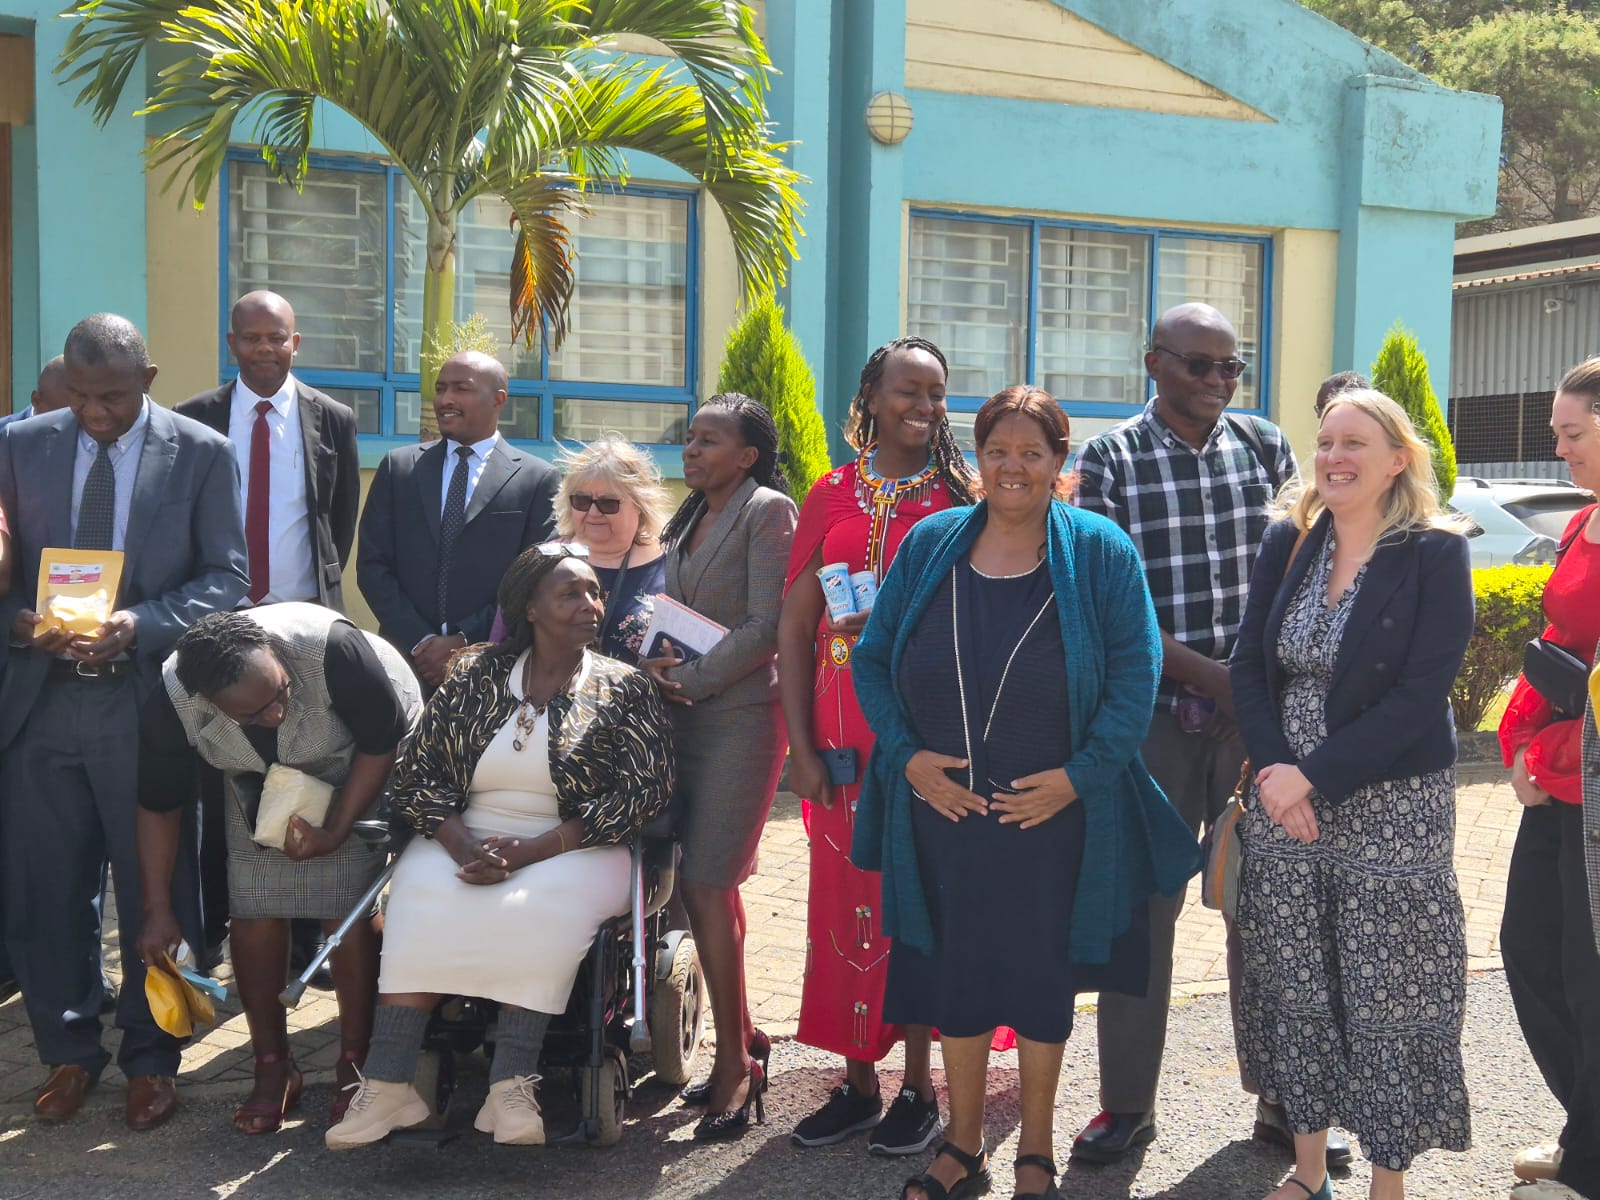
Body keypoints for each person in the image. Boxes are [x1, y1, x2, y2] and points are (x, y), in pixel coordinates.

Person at [852, 385, 1200, 1200]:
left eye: (1031, 453)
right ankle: (963, 1144)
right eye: (997, 451)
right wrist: (907, 758)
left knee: (1043, 985)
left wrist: (1080, 778)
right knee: (958, 980)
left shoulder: (1101, 551)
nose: (1013, 467)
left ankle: (1034, 1152)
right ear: (977, 458)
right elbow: (873, 660)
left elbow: (1136, 674)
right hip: (944, 813)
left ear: (1059, 462)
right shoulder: (931, 543)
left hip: (1055, 818)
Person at [1071, 301, 1336, 1167]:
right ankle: (1127, 1106)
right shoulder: (1110, 459)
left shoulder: (1265, 447)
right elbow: (1109, 603)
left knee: (1268, 910)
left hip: (1254, 726)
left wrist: (1248, 690)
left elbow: (1305, 576)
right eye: (1200, 365)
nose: (1219, 381)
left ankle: (1286, 1106)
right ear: (1155, 363)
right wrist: (1214, 679)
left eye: (1232, 367)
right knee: (1141, 913)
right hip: (1150, 722)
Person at [324, 545, 674, 1149]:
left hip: (580, 843)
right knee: (418, 894)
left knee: (537, 903)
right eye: (570, 594)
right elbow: (416, 775)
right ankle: (386, 1085)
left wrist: (534, 851)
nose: (591, 605)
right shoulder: (472, 676)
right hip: (465, 831)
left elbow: (644, 791)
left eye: (594, 592)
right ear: (529, 608)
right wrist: (462, 845)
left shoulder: (625, 688)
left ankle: (511, 1086)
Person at [0, 314, 248, 1130]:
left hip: (142, 703)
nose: (94, 413)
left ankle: (152, 1058)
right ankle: (68, 1053)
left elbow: (226, 578)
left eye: (110, 397)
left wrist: (140, 623)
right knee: (46, 890)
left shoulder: (202, 453)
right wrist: (18, 620)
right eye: (79, 396)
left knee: (156, 889)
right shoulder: (19, 445)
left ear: (147, 379)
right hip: (42, 703)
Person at [1230, 388, 1474, 1200]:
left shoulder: (1436, 553)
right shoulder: (1288, 539)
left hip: (1392, 807)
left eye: (1355, 443)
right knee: (1298, 984)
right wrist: (1277, 773)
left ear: (1398, 460)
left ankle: (1386, 1184)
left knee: (1387, 992)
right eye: (1326, 441)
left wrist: (1314, 775)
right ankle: (1307, 1174)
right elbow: (1248, 667)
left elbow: (1420, 696)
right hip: (1284, 803)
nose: (1333, 457)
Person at [776, 337, 977, 1155]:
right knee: (842, 895)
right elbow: (794, 626)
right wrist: (799, 746)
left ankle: (920, 1089)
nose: (924, 407)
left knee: (915, 898)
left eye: (936, 392)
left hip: (925, 731)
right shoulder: (829, 492)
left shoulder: (963, 496)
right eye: (907, 390)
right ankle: (858, 1083)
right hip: (839, 731)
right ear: (870, 396)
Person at [134, 605, 422, 1134]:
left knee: (346, 906)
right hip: (253, 773)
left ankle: (356, 1062)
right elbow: (159, 804)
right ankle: (272, 1067)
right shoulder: (174, 700)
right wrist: (157, 910)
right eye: (254, 712)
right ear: (210, 704)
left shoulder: (333, 649)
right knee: (253, 904)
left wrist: (335, 829)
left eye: (282, 691)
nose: (278, 712)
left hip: (363, 756)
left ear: (276, 658)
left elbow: (381, 741)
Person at [177, 289, 363, 978]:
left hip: (299, 632)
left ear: (295, 342)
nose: (264, 349)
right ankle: (214, 931)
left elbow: (337, 522)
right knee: (216, 783)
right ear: (232, 344)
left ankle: (305, 938)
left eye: (275, 337)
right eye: (251, 338)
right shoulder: (194, 418)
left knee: (304, 776)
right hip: (217, 628)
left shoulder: (332, 419)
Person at [642, 394, 797, 1141]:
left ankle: (735, 1068)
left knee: (706, 884)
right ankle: (744, 1037)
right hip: (684, 717)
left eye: (708, 441)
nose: (692, 451)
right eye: (690, 439)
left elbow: (770, 624)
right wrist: (659, 664)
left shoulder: (768, 511)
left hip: (740, 722)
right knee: (704, 888)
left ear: (748, 455)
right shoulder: (692, 515)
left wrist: (694, 680)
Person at [1499, 362, 1600, 1200]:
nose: (1560, 450)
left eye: (1574, 433)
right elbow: (1554, 648)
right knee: (1531, 950)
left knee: (1590, 973)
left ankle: (1590, 1160)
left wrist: (1552, 754)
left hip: (1591, 785)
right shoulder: (1582, 524)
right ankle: (1588, 1127)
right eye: (1558, 434)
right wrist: (1520, 744)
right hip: (1560, 787)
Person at [356, 351, 558, 688]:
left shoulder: (536, 479)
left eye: (461, 389)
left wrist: (464, 640)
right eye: (440, 389)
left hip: (494, 666)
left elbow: (533, 580)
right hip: (407, 663)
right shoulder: (399, 468)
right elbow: (372, 565)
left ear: (498, 400)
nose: (445, 400)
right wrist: (421, 642)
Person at [488, 435, 672, 665]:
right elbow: (502, 644)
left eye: (608, 503)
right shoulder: (540, 563)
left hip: (642, 687)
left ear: (640, 505)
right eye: (582, 501)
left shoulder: (673, 562)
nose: (593, 513)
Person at [0, 355, 72, 431]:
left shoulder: (79, 431)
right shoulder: (4, 433)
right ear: (36, 400)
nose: (71, 419)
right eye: (60, 413)